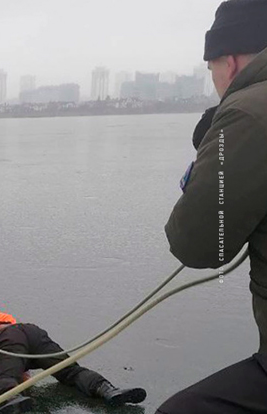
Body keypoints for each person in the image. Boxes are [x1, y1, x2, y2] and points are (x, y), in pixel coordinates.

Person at [158, 1, 267, 412]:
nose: (216, 82)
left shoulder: (247, 114)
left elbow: (197, 244)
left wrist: (214, 143)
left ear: (231, 62)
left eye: (212, 70)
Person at [0, 300, 146, 413]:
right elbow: (18, 342)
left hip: (3, 341)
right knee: (70, 370)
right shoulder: (2, 317)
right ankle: (107, 389)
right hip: (32, 333)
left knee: (4, 377)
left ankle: (13, 399)